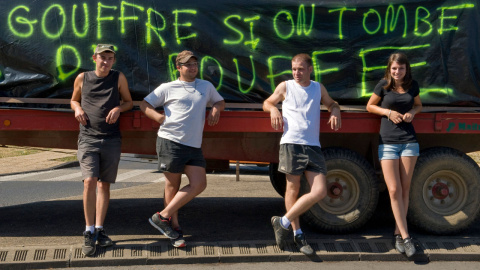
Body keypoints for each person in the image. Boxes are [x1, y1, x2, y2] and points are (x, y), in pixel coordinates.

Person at [140, 50, 225, 248]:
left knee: (199, 183)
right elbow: (144, 104)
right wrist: (159, 117)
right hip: (171, 141)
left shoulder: (206, 86)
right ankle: (174, 228)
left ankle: (162, 217)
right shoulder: (168, 87)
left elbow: (220, 101)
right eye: (188, 65)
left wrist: (215, 108)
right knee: (172, 186)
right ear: (178, 68)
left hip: (194, 145)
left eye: (195, 64)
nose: (193, 67)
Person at [263, 53, 341, 255]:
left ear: (309, 69)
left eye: (300, 69)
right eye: (293, 69)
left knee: (320, 191)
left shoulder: (318, 87)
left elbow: (332, 103)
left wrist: (335, 110)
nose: (296, 73)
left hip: (313, 146)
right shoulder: (285, 86)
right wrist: (273, 109)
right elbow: (268, 102)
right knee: (292, 189)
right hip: (291, 143)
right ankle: (298, 234)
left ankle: (282, 222)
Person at [71, 44, 133, 256]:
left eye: (109, 58)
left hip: (111, 138)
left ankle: (100, 229)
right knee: (89, 181)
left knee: (104, 185)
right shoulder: (83, 78)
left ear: (113, 60)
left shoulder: (118, 77)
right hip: (88, 137)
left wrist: (118, 108)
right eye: (102, 57)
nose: (105, 62)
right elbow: (73, 99)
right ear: (94, 58)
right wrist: (77, 107)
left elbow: (129, 102)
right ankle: (88, 231)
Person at [366, 52, 422, 257]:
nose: (397, 72)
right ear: (389, 69)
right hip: (388, 143)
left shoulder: (412, 85)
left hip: (409, 143)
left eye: (401, 68)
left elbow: (418, 105)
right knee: (393, 189)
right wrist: (388, 112)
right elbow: (370, 106)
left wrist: (412, 113)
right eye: (394, 68)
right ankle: (407, 237)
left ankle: (398, 233)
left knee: (405, 190)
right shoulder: (383, 85)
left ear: (407, 69)